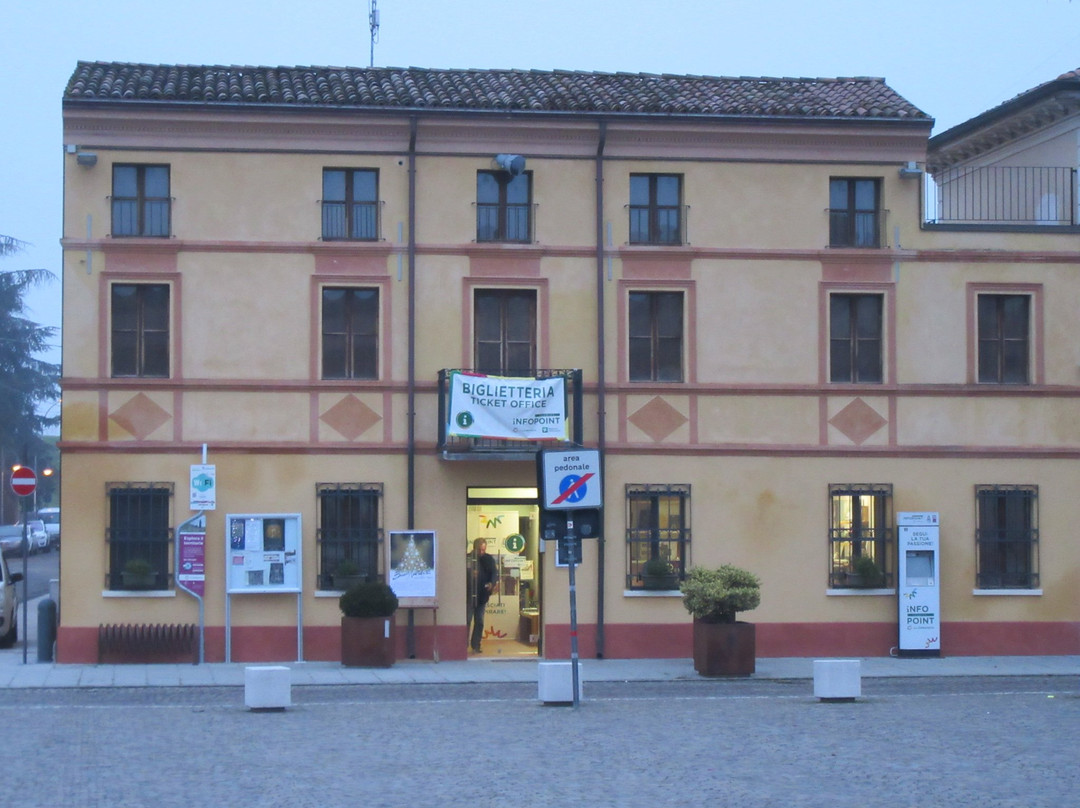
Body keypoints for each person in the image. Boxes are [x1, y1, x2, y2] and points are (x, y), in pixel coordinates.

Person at [469, 538, 498, 654]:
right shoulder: (468, 558)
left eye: (483, 550)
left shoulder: (488, 559)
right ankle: (463, 645)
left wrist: (492, 583)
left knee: (479, 621)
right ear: (474, 548)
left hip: (482, 595)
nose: (481, 552)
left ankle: (476, 645)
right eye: (479, 550)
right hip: (469, 596)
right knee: (466, 620)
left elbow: (494, 574)